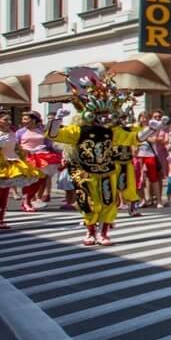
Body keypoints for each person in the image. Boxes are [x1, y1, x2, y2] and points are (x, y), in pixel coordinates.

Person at [49, 68, 138, 246]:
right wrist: (56, 121)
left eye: (106, 115)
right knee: (87, 202)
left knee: (108, 202)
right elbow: (54, 135)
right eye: (100, 115)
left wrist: (151, 129)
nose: (104, 119)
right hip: (84, 171)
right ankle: (90, 231)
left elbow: (132, 138)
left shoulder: (111, 131)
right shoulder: (79, 131)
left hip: (106, 171)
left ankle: (103, 233)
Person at [16, 110, 63, 212]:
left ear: (33, 120)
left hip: (42, 157)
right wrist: (24, 151)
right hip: (27, 158)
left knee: (41, 180)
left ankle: (30, 199)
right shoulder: (20, 132)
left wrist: (57, 152)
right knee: (28, 181)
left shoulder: (42, 130)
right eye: (23, 119)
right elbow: (16, 145)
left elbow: (50, 142)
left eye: (26, 119)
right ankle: (26, 201)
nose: (23, 121)